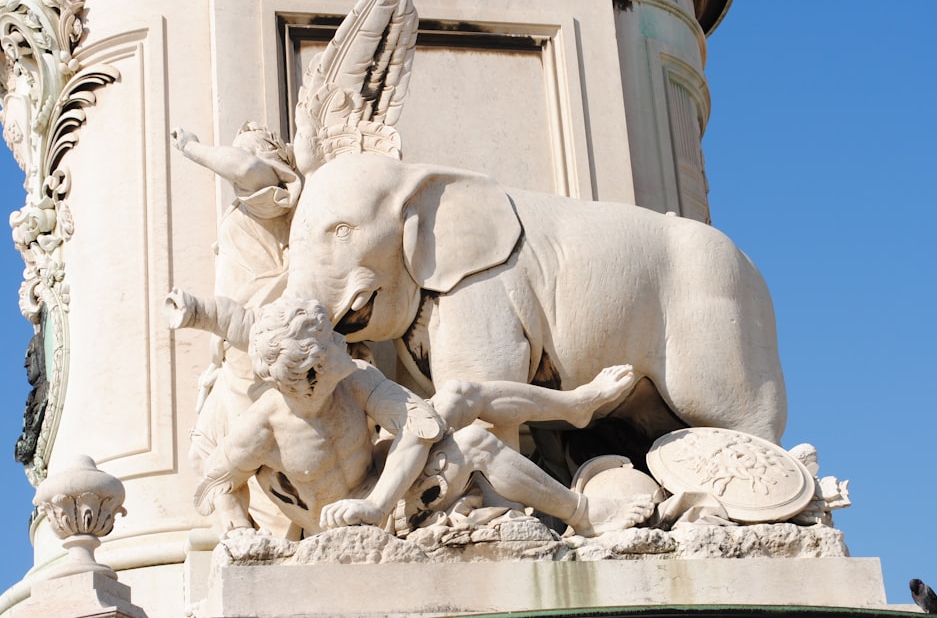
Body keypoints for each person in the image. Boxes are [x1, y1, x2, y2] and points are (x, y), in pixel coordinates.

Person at [166, 294, 653, 538]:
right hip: (350, 524)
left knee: (459, 395)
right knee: (478, 446)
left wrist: (377, 501)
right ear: (310, 373)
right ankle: (584, 514)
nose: (345, 343)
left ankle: (576, 406)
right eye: (332, 344)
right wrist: (243, 537)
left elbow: (418, 425)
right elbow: (212, 484)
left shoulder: (352, 378)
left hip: (382, 496)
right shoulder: (264, 425)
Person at [171, 123, 303, 534]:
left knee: (253, 455)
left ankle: (273, 536)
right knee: (205, 451)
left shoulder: (271, 195)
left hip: (259, 342)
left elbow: (246, 168)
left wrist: (193, 148)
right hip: (236, 353)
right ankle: (243, 537)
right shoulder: (250, 208)